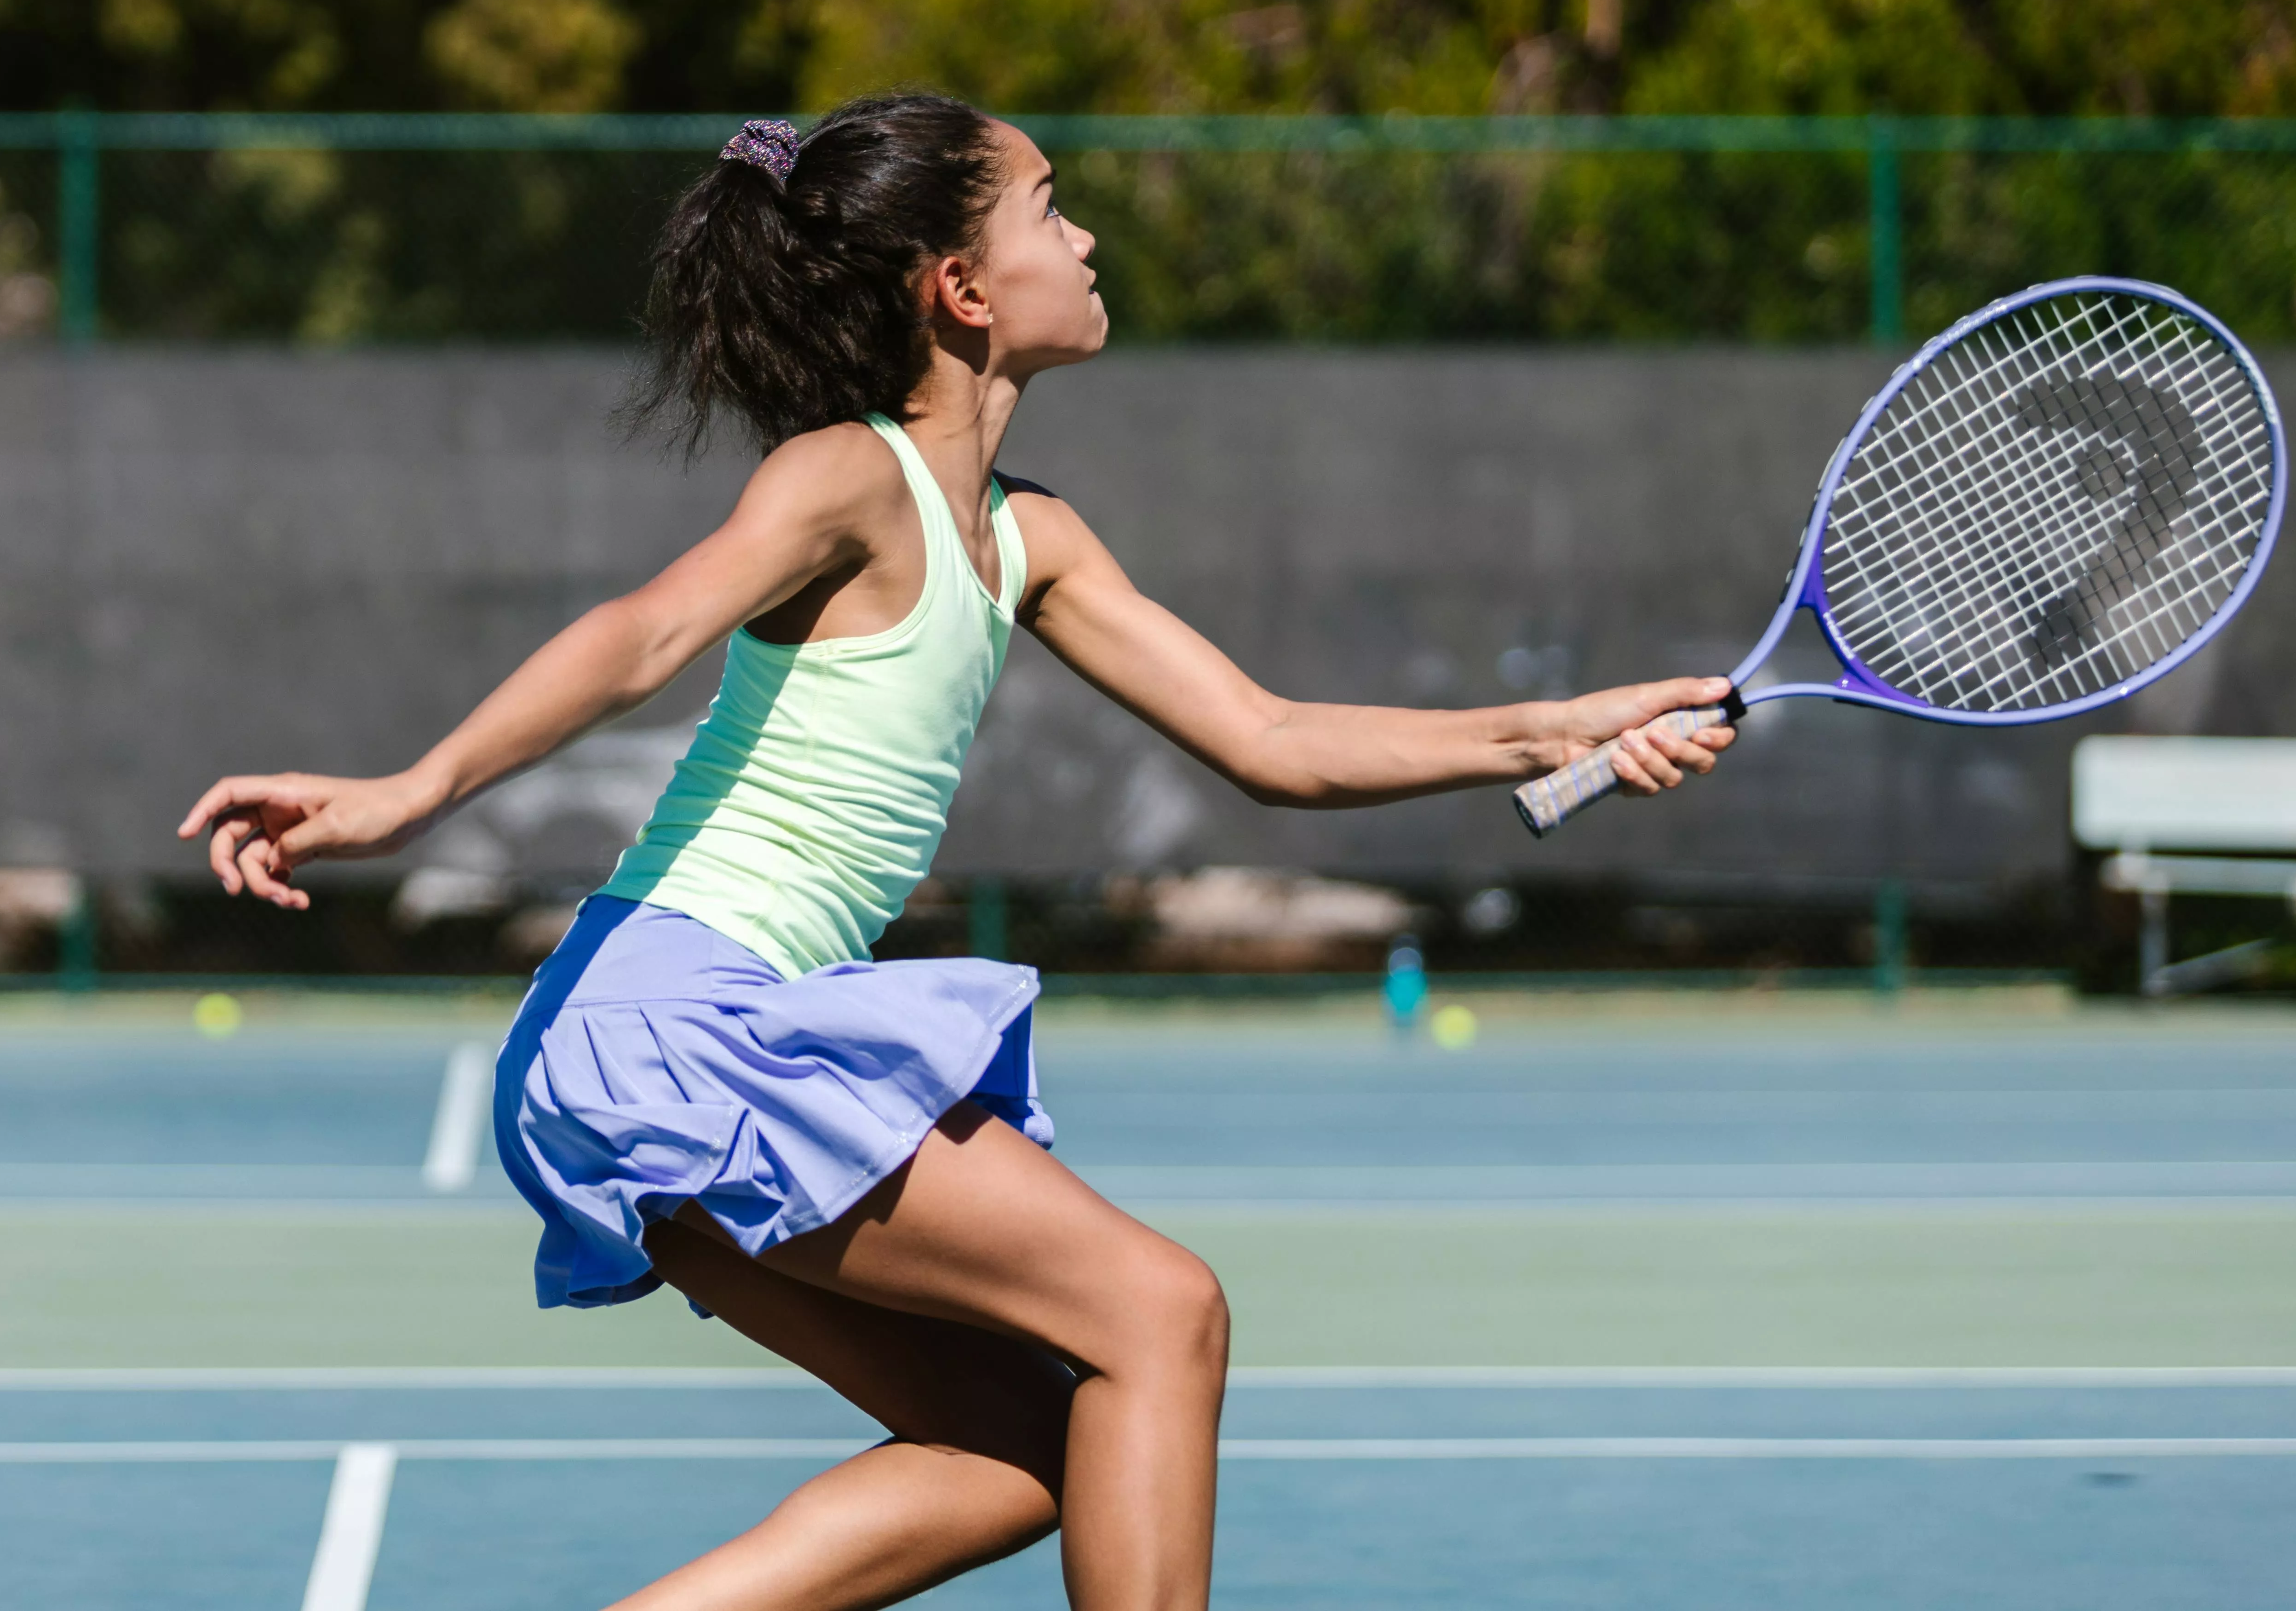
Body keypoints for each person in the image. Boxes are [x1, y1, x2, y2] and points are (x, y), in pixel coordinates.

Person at [178, 93, 1736, 1611]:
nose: (1091, 230)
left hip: (662, 1039)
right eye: (1054, 205)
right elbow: (644, 631)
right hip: (667, 1023)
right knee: (1161, 1312)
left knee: (1021, 1447)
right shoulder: (846, 476)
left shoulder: (1030, 534)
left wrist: (1562, 730)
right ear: (966, 288)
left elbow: (1272, 743)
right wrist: (409, 791)